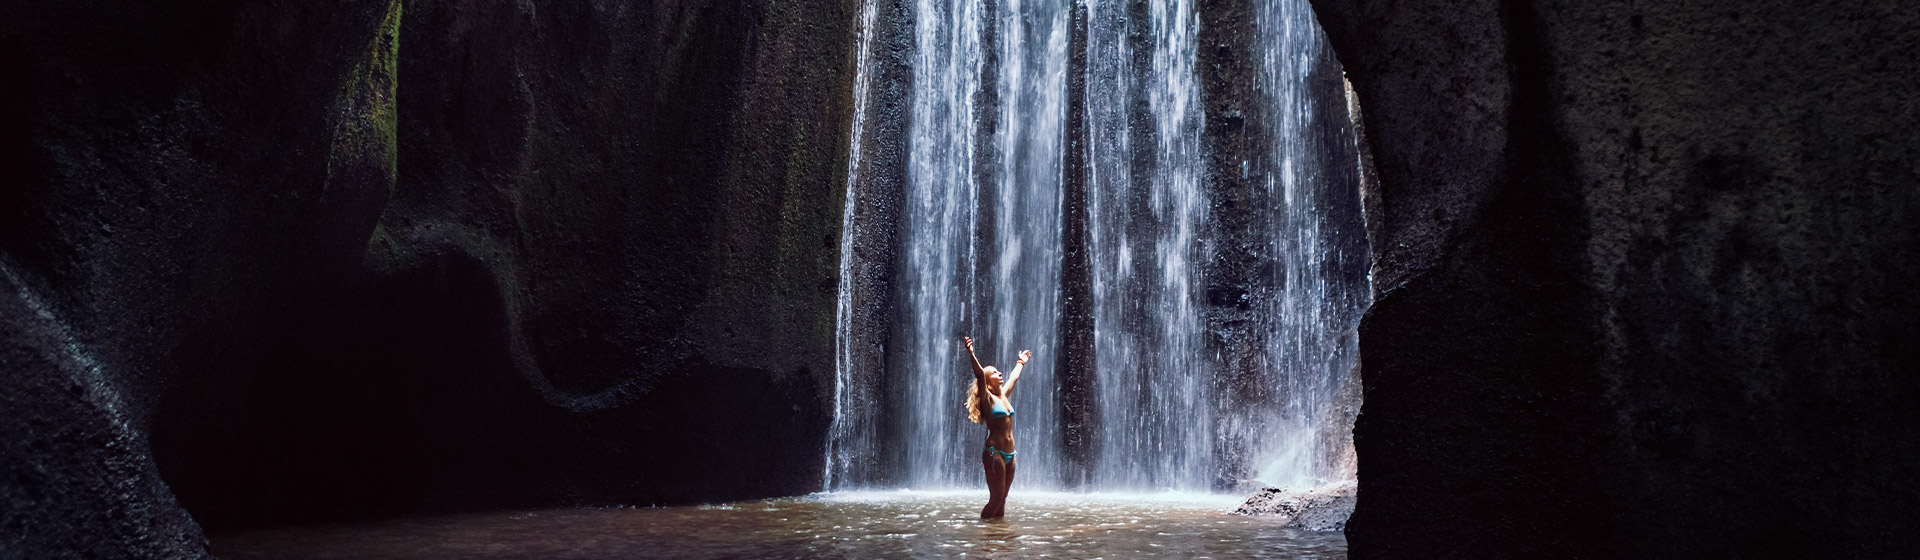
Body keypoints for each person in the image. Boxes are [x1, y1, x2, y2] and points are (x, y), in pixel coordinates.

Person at [963, 336, 1031, 519]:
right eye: (994, 373)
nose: (999, 373)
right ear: (987, 381)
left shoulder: (1003, 396)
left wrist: (1021, 362)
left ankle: (998, 538)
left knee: (1003, 499)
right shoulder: (988, 400)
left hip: (1011, 454)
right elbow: (978, 374)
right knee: (996, 498)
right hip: (995, 453)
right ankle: (984, 534)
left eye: (998, 371)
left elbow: (1014, 378)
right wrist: (971, 353)